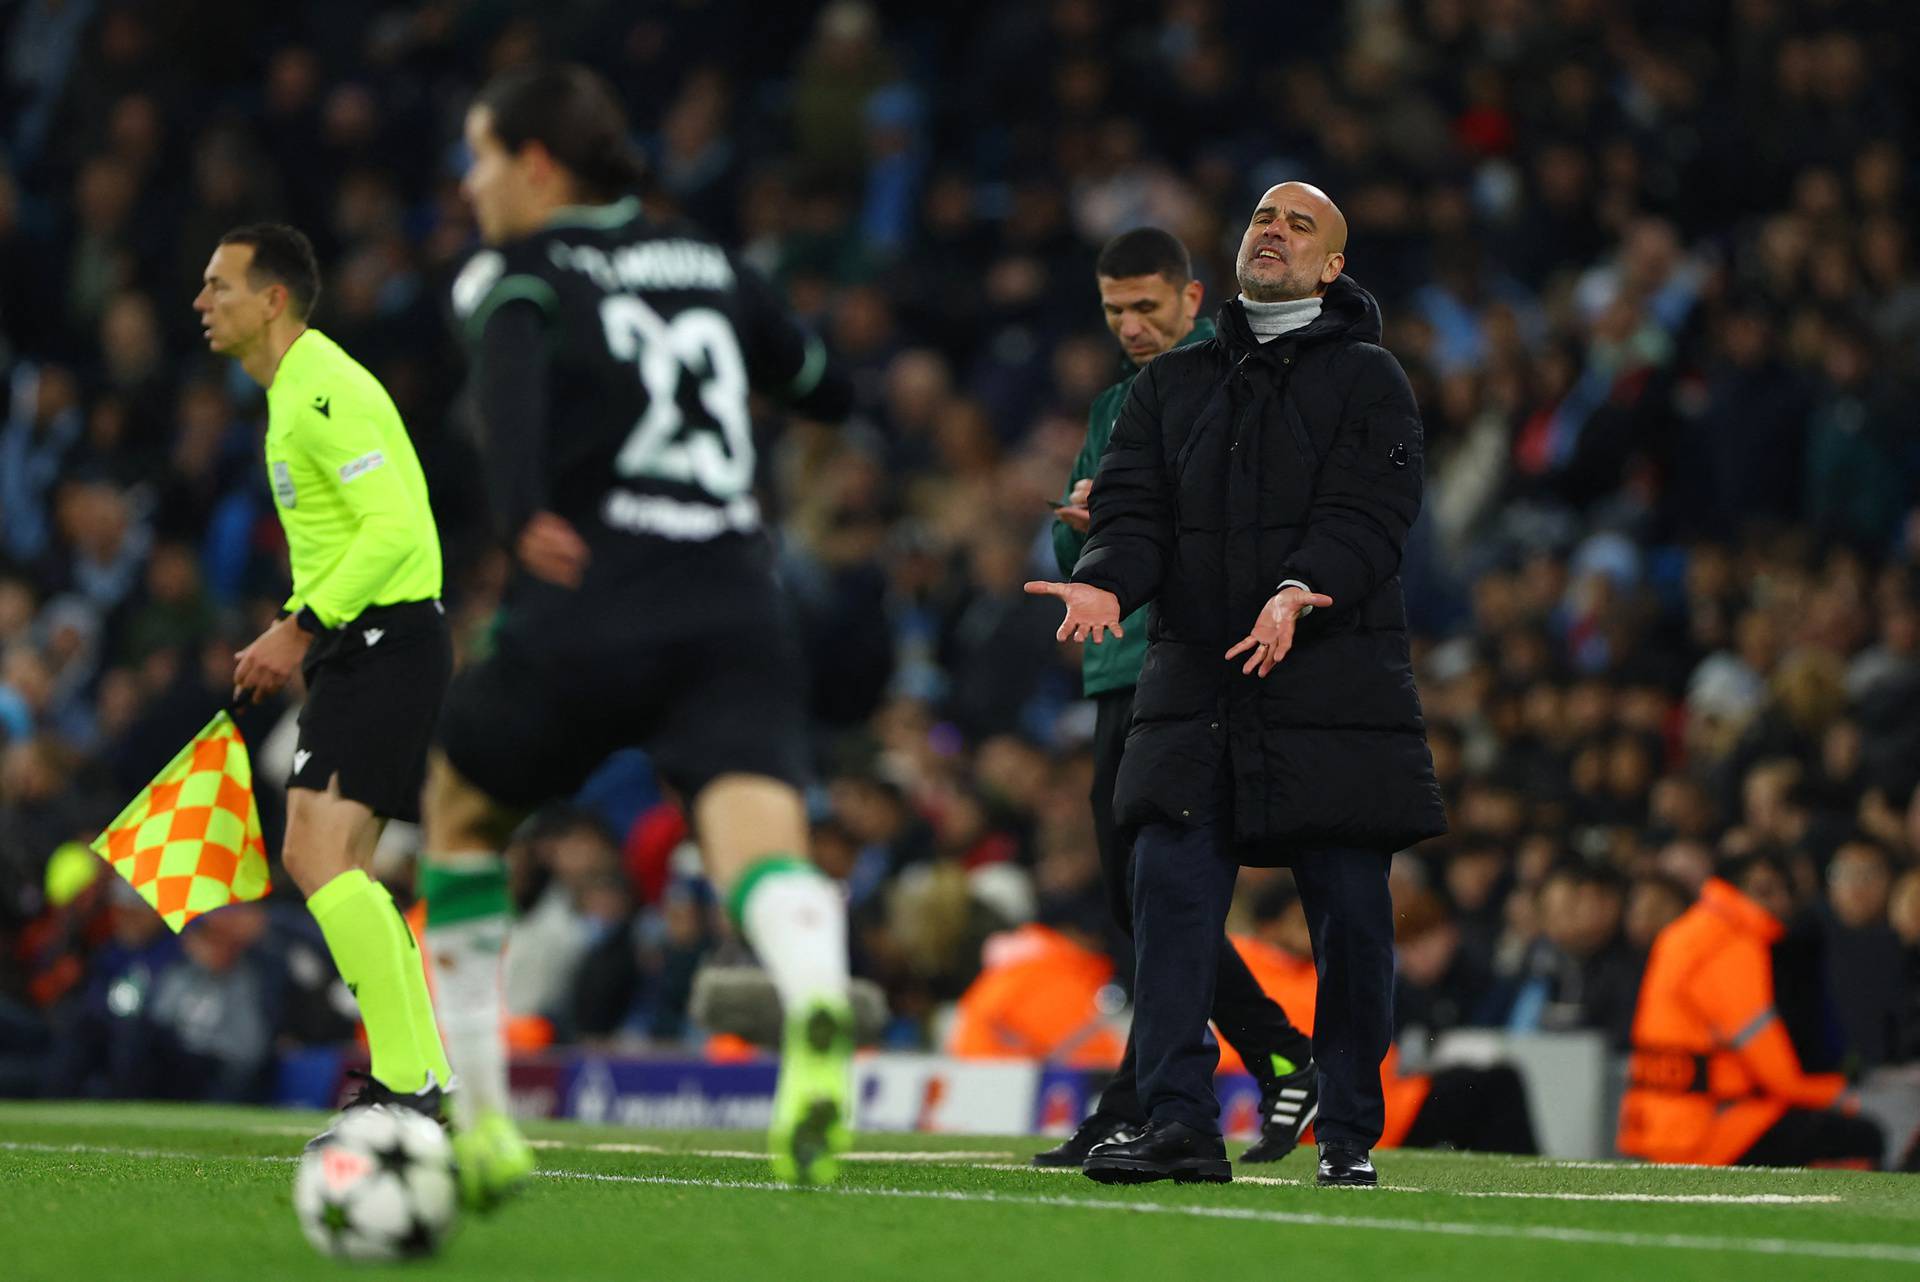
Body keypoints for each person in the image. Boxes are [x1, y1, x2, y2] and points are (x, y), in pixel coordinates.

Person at [426, 64, 856, 1192]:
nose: (470, 185)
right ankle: (815, 996)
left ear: (536, 164)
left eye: (479, 158)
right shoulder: (711, 261)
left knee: (461, 816)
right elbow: (825, 385)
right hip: (732, 603)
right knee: (758, 851)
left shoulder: (520, 272)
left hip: (591, 598)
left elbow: (507, 384)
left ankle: (479, 1123)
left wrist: (519, 509)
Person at [1027, 182, 1446, 1187]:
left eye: (1302, 225)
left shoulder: (1372, 379)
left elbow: (1374, 513)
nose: (1276, 232)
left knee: (1350, 914)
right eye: (1265, 217)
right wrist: (1103, 584)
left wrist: (1301, 590)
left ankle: (1347, 1127)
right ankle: (1179, 1122)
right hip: (1196, 686)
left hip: (1330, 686)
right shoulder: (1174, 385)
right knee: (1166, 894)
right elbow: (1130, 512)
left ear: (1333, 265)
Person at [1033, 227, 1317, 1170]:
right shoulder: (1116, 401)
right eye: (1116, 311)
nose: (1133, 326)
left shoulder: (1221, 382)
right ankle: (1213, 1071)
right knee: (1137, 896)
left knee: (1158, 891)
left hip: (1184, 669)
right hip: (1118, 670)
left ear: (1193, 300)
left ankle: (1220, 1071)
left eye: (1148, 306)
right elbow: (1077, 560)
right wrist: (1088, 530)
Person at [194, 224, 456, 1124]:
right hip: (367, 641)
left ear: (273, 300)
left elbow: (393, 528)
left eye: (219, 286)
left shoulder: (323, 389)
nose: (201, 303)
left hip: (383, 635)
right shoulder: (292, 392)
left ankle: (411, 1082)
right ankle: (417, 1079)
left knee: (315, 854)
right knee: (337, 862)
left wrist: (297, 629)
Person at [1619, 855, 1885, 1168]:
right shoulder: (1733, 945)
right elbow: (1773, 1069)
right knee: (1864, 1135)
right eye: (1765, 890)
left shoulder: (1681, 934)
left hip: (1655, 1123)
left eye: (1783, 891)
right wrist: (1839, 1094)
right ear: (1735, 889)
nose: (1779, 902)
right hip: (1713, 1127)